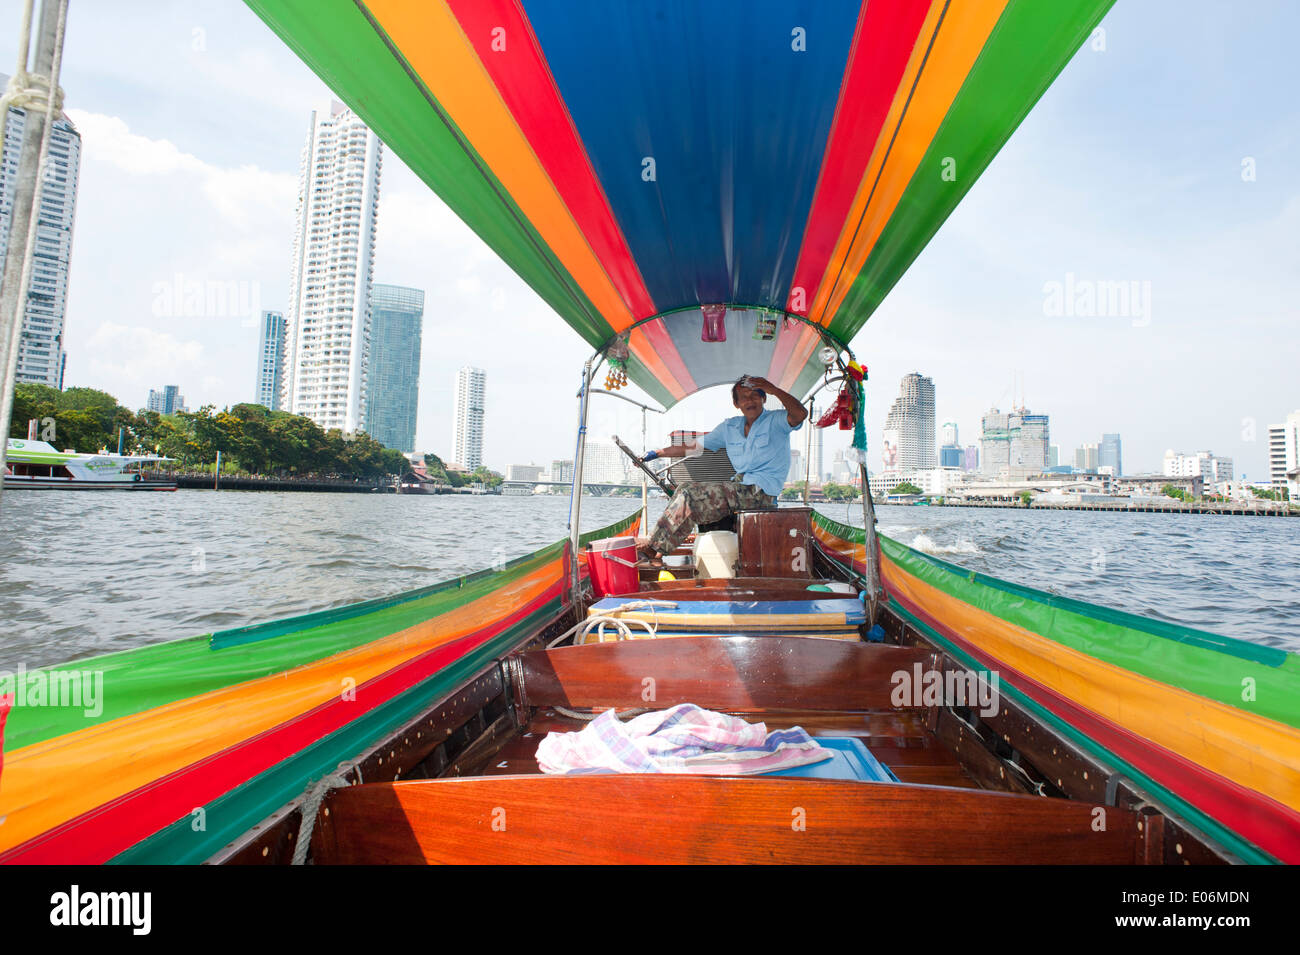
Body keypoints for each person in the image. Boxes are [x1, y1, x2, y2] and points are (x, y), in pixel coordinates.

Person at [638, 375, 807, 561]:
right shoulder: (730, 427)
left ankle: (653, 547)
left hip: (762, 494)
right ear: (737, 403)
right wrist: (657, 453)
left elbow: (800, 414)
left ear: (764, 398)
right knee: (682, 490)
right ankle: (659, 549)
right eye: (744, 397)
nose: (750, 400)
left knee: (689, 493)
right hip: (740, 488)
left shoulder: (777, 421)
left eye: (755, 395)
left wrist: (773, 389)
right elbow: (694, 446)